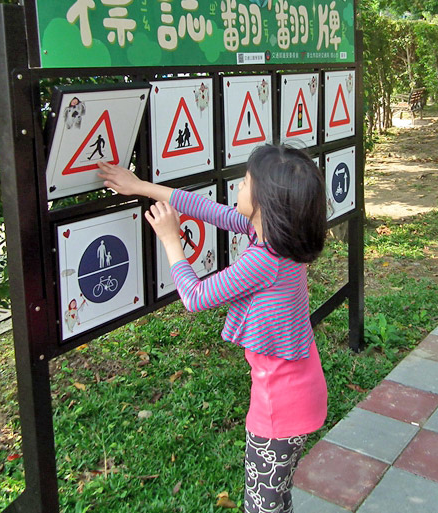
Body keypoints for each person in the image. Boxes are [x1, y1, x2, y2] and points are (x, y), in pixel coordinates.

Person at [99, 144, 328, 513]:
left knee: (262, 505)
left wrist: (172, 241)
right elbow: (207, 209)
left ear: (266, 202)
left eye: (246, 183)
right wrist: (141, 186)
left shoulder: (263, 259)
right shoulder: (280, 238)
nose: (238, 186)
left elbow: (195, 296)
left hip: (279, 408)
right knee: (276, 496)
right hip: (299, 390)